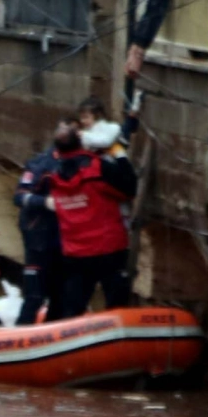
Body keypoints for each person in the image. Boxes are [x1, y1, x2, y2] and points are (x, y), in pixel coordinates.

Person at [47, 125, 138, 317]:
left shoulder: (53, 174)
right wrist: (120, 155)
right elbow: (129, 188)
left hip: (75, 252)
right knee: (116, 309)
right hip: (108, 249)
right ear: (80, 141)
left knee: (72, 310)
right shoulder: (97, 168)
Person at [13, 124, 70, 325]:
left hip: (65, 243)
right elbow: (19, 196)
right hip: (38, 241)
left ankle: (53, 343)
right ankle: (18, 341)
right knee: (34, 296)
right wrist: (45, 202)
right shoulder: (41, 165)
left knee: (61, 298)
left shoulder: (81, 163)